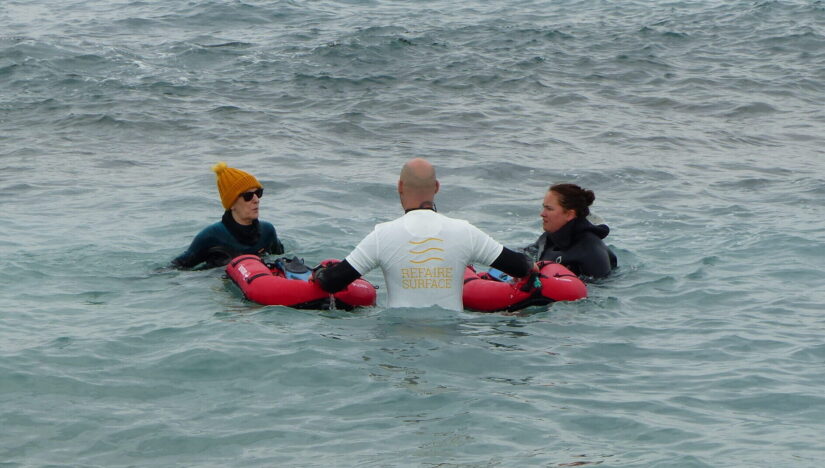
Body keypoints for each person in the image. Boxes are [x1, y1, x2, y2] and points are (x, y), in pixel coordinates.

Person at [314, 158, 535, 311]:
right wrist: (531, 265)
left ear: (400, 186)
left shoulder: (382, 235)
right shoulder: (465, 232)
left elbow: (332, 282)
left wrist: (319, 273)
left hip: (400, 342)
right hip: (450, 341)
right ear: (437, 187)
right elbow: (519, 266)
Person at [171, 162, 284, 269]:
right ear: (232, 204)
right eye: (248, 196)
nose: (256, 200)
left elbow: (281, 260)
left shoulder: (267, 231)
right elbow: (177, 267)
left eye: (258, 193)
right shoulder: (210, 235)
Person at [523, 183, 617, 279]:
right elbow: (528, 253)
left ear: (569, 214)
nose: (542, 214)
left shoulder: (592, 252)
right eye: (544, 207)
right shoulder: (547, 238)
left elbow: (601, 284)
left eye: (549, 209)